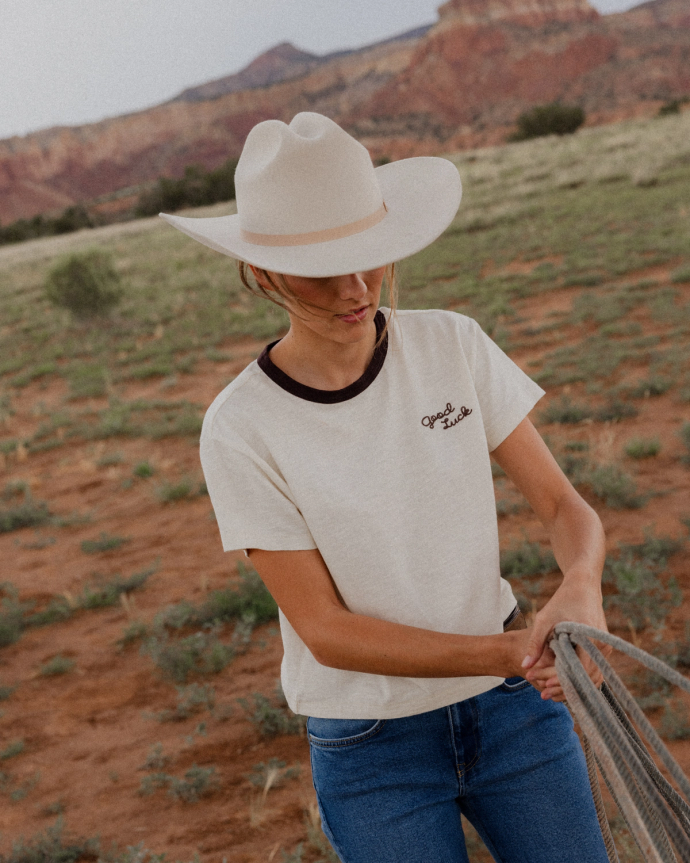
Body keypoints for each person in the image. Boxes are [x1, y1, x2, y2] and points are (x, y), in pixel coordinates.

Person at [160, 112, 612, 863]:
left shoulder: (452, 344)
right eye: (321, 268)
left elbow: (566, 508)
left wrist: (583, 582)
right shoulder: (239, 427)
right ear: (261, 273)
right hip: (373, 749)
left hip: (513, 714)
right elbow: (327, 630)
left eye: (370, 256)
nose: (355, 286)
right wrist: (507, 650)